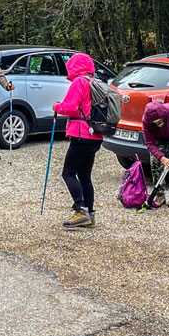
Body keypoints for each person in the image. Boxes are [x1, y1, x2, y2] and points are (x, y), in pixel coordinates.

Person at [52, 53, 103, 228]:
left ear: (74, 67)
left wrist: (56, 106)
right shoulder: (94, 82)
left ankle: (81, 210)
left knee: (68, 173)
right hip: (96, 134)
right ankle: (90, 215)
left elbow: (70, 107)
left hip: (81, 134)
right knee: (85, 175)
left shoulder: (79, 82)